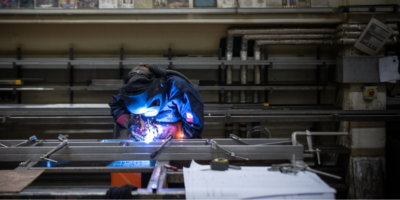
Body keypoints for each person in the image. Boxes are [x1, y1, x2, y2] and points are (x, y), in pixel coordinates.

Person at [109, 63, 204, 140]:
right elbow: (116, 106)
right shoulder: (131, 91)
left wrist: (174, 130)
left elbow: (194, 127)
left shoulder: (180, 89)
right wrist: (130, 123)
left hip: (176, 144)